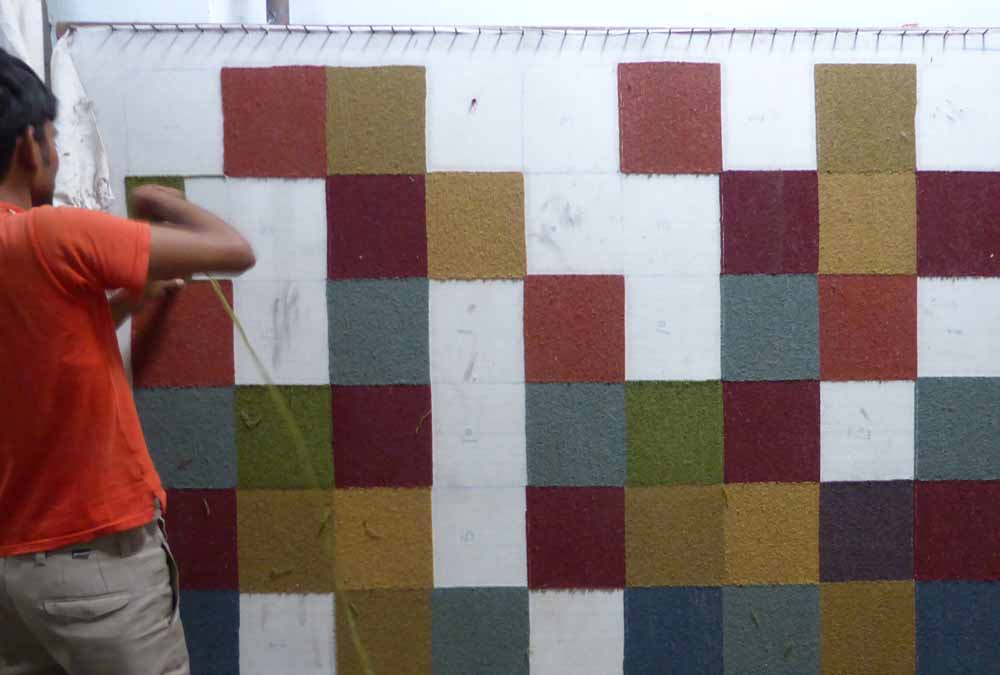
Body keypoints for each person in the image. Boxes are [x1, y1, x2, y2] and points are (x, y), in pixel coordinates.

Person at [0, 49, 254, 674]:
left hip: (14, 574)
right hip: (97, 564)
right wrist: (161, 199)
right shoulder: (51, 234)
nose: (57, 153)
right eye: (54, 137)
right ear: (29, 144)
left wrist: (122, 305)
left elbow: (38, 356)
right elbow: (232, 250)